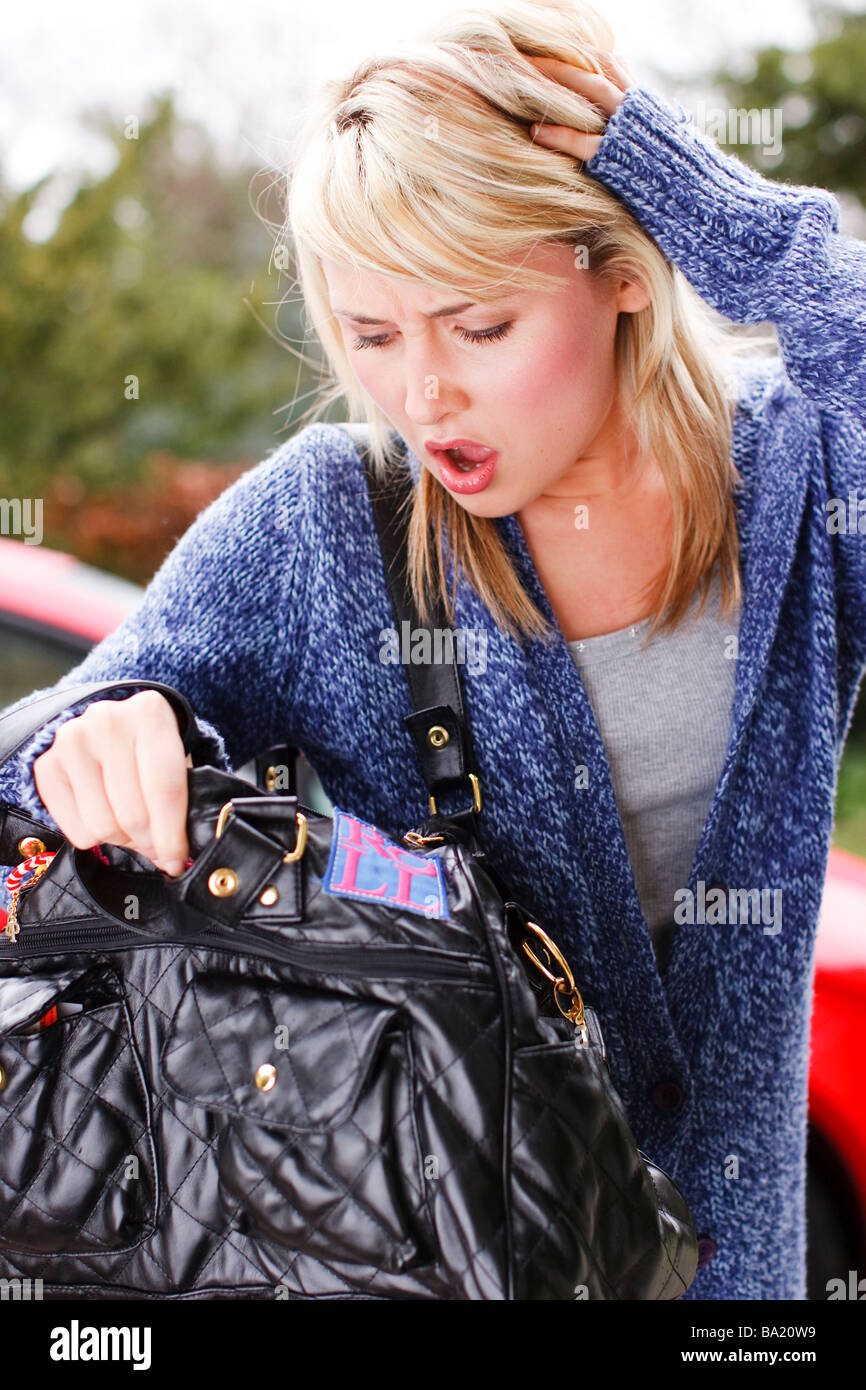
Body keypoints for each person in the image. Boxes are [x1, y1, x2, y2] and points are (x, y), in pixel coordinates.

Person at [0, 0, 864, 1301]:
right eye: (370, 335)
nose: (422, 393)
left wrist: (703, 201)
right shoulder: (332, 518)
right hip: (426, 1263)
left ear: (621, 271)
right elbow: (40, 750)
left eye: (477, 324)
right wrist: (103, 724)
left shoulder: (799, 488)